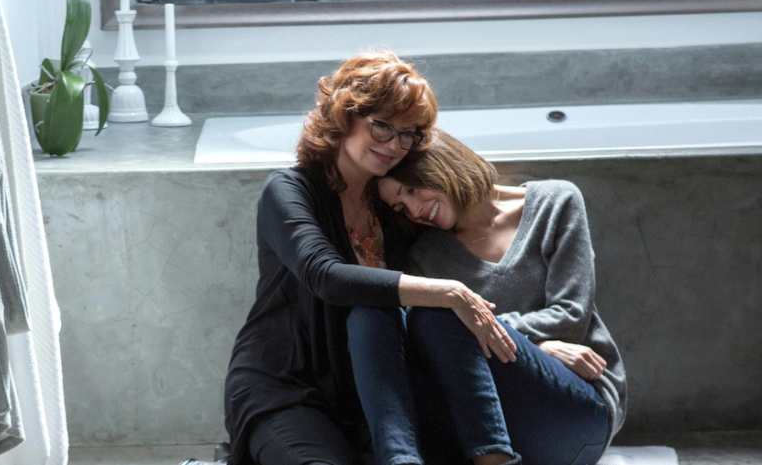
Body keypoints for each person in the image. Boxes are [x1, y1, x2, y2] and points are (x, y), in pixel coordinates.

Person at [224, 51, 517, 465]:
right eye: (382, 125)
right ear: (345, 115)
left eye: (407, 134)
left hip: (365, 398)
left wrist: (542, 340)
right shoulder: (289, 191)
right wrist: (449, 292)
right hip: (283, 386)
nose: (394, 145)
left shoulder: (395, 209)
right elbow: (326, 275)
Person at [377, 129, 628, 465]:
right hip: (498, 425)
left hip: (579, 409)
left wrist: (496, 335)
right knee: (431, 317)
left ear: (439, 164)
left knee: (448, 312)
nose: (414, 211)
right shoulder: (426, 256)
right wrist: (539, 346)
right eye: (400, 207)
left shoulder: (555, 203)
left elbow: (571, 317)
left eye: (411, 190)